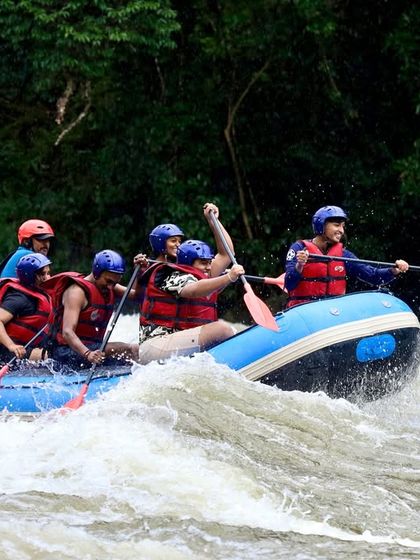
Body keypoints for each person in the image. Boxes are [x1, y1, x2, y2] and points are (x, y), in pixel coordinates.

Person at [138, 203, 245, 364]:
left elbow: (226, 254)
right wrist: (228, 277)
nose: (209, 267)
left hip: (179, 339)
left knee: (220, 330)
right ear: (189, 263)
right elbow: (193, 290)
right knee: (221, 329)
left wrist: (213, 221)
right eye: (203, 263)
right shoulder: (167, 273)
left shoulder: (202, 272)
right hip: (156, 344)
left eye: (209, 262)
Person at [284, 205, 409, 308]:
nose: (341, 231)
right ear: (321, 225)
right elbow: (289, 283)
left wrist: (394, 270)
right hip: (304, 311)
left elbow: (373, 276)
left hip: (333, 313)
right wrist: (300, 265)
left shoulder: (343, 255)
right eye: (337, 225)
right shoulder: (299, 249)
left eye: (343, 226)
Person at [45, 249, 139, 368]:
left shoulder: (109, 286)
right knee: (131, 349)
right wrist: (87, 353)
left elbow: (135, 295)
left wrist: (139, 272)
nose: (111, 287)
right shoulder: (76, 292)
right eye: (108, 281)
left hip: (92, 350)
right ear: (96, 273)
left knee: (127, 362)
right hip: (65, 353)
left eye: (115, 283)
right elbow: (67, 332)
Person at [0, 253, 52, 363]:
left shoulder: (40, 294)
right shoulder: (19, 298)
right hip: (8, 351)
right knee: (53, 356)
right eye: (43, 274)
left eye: (48, 273)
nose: (48, 278)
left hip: (24, 347)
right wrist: (11, 346)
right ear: (30, 276)